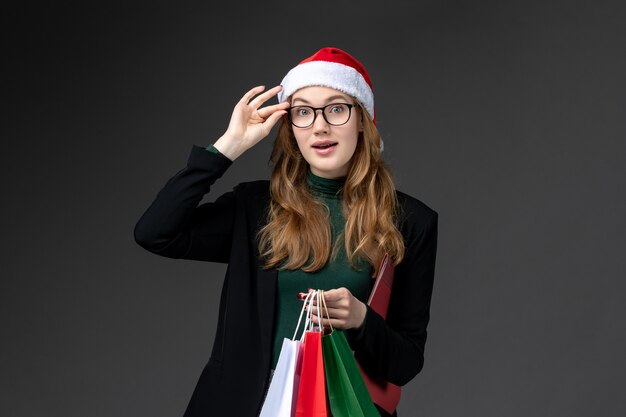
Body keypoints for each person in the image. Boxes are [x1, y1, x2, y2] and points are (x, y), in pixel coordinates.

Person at [134, 46, 438, 417]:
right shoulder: (256, 207)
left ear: (363, 120)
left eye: (336, 108)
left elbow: (406, 363)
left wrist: (360, 318)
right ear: (291, 127)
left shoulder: (410, 220)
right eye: (303, 112)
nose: (320, 125)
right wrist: (227, 148)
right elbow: (155, 232)